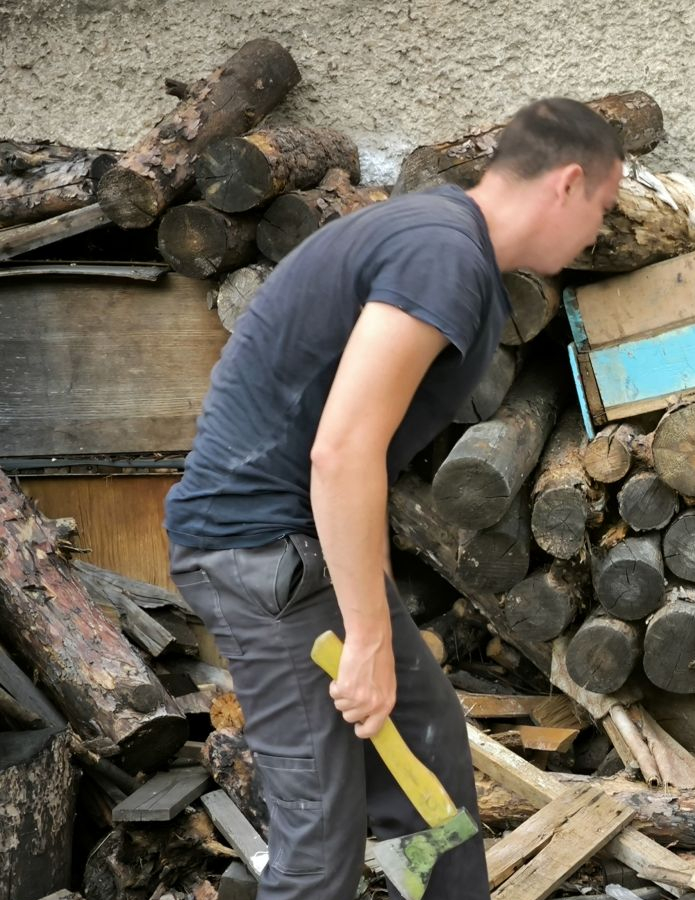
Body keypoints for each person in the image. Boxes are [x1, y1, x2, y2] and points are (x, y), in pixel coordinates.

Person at [164, 97, 623, 900]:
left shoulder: (449, 245)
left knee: (427, 743)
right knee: (321, 844)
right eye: (603, 211)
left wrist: (371, 611)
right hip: (257, 553)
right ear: (568, 182)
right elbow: (342, 450)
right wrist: (369, 644)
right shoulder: (440, 254)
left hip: (300, 546)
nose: (598, 234)